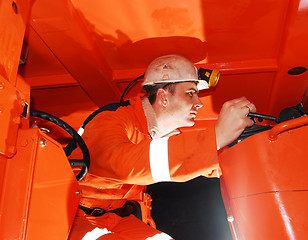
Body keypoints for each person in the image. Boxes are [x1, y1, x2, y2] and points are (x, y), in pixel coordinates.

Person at [68, 54, 256, 240]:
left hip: (116, 219)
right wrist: (216, 136)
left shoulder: (164, 136)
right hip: (70, 217)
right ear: (163, 96)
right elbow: (122, 163)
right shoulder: (112, 118)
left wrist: (244, 150)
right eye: (191, 93)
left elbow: (199, 160)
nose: (198, 103)